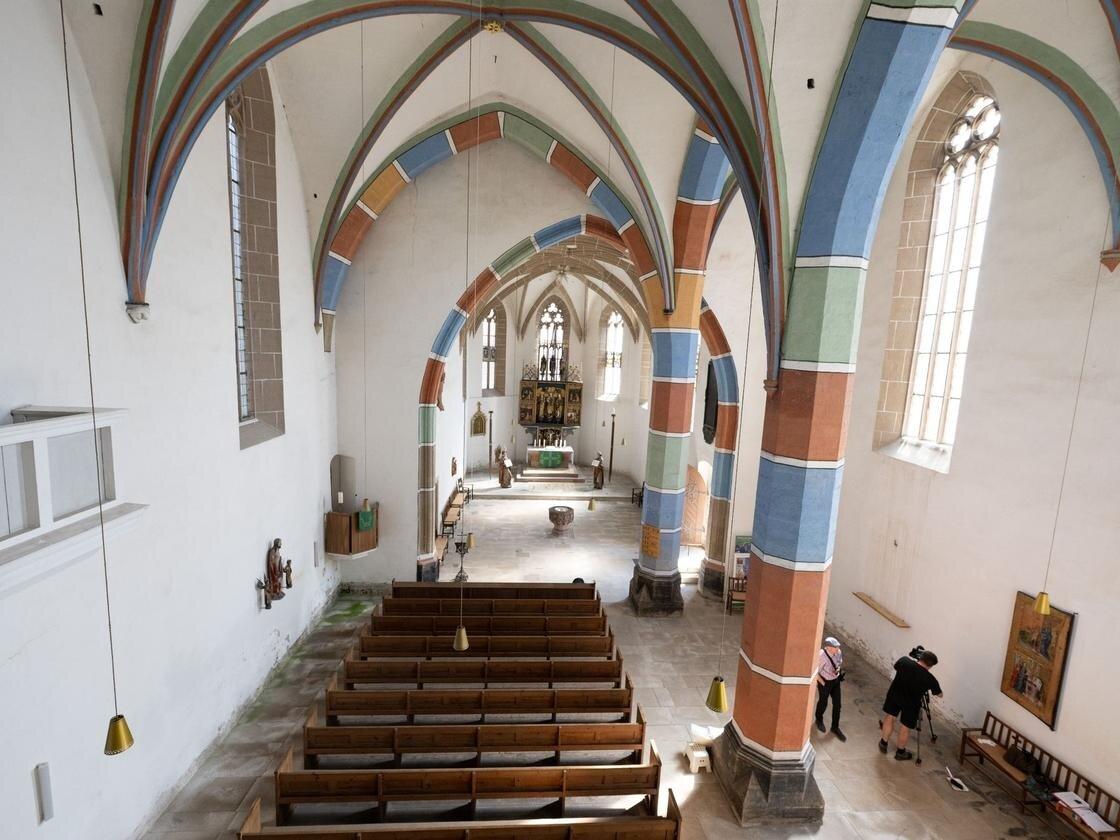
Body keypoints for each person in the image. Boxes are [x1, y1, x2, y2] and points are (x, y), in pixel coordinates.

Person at [879, 649, 942, 761]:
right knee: (905, 727)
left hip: (895, 695)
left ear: (920, 657)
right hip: (911, 704)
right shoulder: (930, 679)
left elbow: (896, 667)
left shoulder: (904, 661)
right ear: (931, 665)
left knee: (890, 717)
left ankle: (883, 743)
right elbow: (939, 694)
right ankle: (900, 752)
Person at [815, 636, 846, 742]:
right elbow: (815, 672)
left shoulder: (838, 652)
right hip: (825, 681)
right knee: (823, 702)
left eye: (838, 647)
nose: (838, 649)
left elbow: (839, 662)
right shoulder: (821, 656)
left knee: (838, 705)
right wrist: (823, 683)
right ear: (828, 647)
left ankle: (835, 727)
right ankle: (819, 719)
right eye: (835, 647)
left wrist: (838, 669)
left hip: (835, 681)